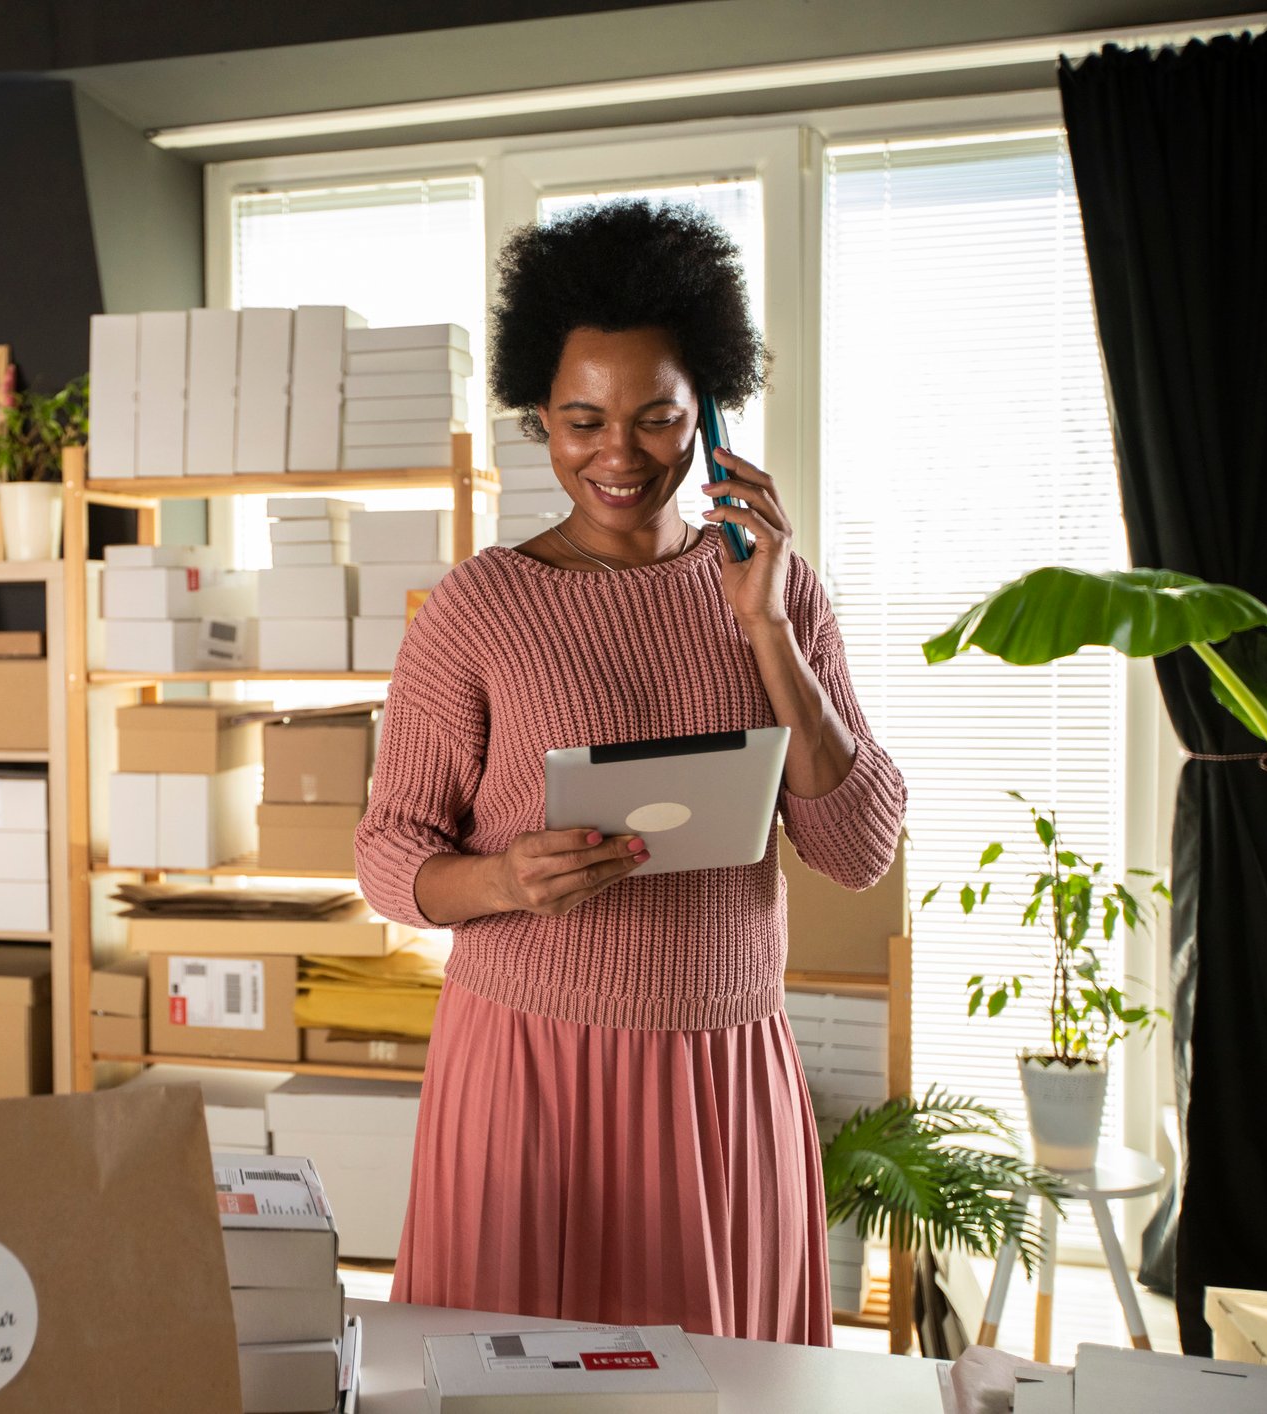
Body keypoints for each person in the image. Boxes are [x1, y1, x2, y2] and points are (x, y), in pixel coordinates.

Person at [354, 199, 906, 1345]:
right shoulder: (479, 608)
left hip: (721, 1073)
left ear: (704, 414)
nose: (618, 455)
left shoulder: (779, 589)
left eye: (656, 419)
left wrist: (768, 631)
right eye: (581, 421)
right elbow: (390, 852)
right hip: (528, 1069)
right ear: (538, 420)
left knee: (716, 1380)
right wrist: (506, 879)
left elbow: (858, 849)